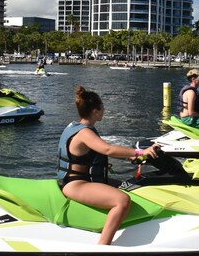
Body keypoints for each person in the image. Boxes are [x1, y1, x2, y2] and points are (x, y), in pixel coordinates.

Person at [57, 86, 159, 245]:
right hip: (76, 183)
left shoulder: (76, 126)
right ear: (95, 111)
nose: (105, 110)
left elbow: (90, 155)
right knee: (122, 200)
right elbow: (108, 149)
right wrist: (139, 152)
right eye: (103, 107)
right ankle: (103, 247)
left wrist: (130, 156)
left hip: (86, 179)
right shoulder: (84, 132)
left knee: (132, 186)